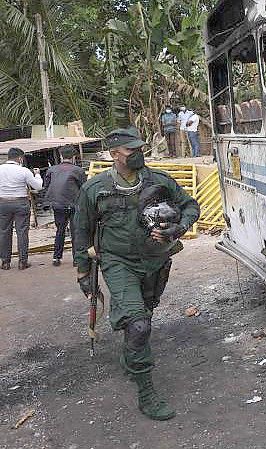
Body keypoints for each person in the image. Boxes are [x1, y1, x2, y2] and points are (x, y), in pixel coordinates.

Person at [73, 127, 199, 420]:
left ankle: (131, 352)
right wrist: (83, 271)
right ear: (114, 155)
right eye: (132, 151)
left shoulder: (159, 181)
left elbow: (190, 206)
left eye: (140, 148)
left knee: (145, 314)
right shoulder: (95, 189)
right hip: (118, 262)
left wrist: (177, 228)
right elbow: (81, 232)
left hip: (156, 261)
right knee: (139, 325)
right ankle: (146, 392)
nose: (139, 154)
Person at [43, 145, 87, 266]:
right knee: (75, 232)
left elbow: (46, 187)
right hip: (74, 205)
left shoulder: (51, 170)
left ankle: (56, 258)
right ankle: (77, 259)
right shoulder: (78, 170)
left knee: (60, 230)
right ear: (73, 157)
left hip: (58, 205)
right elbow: (84, 188)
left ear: (61, 156)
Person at [0, 147, 43, 270]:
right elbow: (38, 186)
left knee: (3, 232)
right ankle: (22, 262)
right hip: (21, 203)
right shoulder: (24, 171)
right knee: (22, 232)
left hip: (3, 203)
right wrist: (38, 174)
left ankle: (5, 262)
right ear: (19, 158)